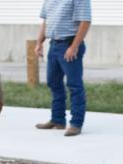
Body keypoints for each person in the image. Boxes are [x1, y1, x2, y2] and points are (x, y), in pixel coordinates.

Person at [32, 0, 89, 137]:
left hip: (69, 44)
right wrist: (39, 42)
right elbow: (46, 21)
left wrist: (74, 47)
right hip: (54, 45)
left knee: (74, 85)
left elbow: (85, 21)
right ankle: (57, 120)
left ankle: (76, 123)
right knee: (53, 83)